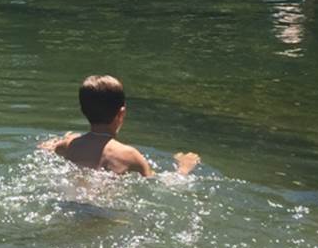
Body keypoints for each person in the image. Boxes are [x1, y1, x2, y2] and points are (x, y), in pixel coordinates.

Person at [39, 74, 200, 177]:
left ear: (83, 111)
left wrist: (58, 142)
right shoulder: (130, 155)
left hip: (70, 206)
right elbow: (161, 184)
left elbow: (46, 149)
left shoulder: (69, 145)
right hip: (107, 213)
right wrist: (184, 168)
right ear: (121, 113)